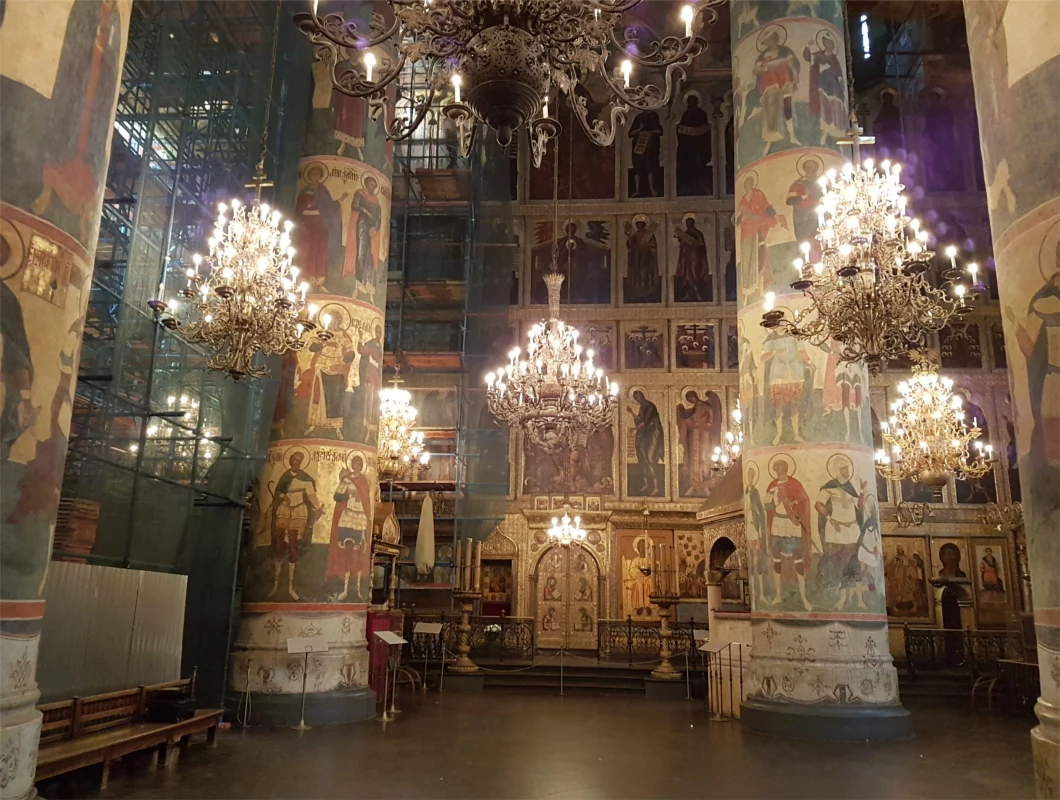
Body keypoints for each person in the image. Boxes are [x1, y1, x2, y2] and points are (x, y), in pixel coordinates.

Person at [814, 456, 868, 610]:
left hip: (852, 528)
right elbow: (818, 505)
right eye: (844, 468)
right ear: (837, 470)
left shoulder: (852, 487)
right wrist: (830, 518)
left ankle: (850, 595)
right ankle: (835, 592)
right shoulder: (829, 487)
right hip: (836, 528)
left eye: (848, 468)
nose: (847, 470)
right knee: (835, 559)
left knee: (852, 559)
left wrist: (863, 491)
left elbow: (860, 507)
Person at [269, 451, 321, 600]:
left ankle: (291, 587)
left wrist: (318, 508)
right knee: (279, 545)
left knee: (292, 546)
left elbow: (311, 496)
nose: (297, 463)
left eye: (299, 461)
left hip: (299, 510)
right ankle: (275, 585)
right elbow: (278, 491)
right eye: (295, 460)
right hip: (284, 510)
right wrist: (283, 496)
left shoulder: (305, 478)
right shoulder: (285, 476)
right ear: (291, 461)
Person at [765, 456, 812, 609]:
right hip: (778, 524)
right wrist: (772, 501)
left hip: (792, 524)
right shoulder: (772, 486)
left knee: (798, 559)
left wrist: (794, 503)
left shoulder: (794, 484)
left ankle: (804, 597)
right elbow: (768, 509)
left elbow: (804, 499)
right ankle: (778, 595)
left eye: (780, 469)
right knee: (776, 559)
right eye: (776, 469)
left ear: (785, 469)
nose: (778, 472)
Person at [325, 455, 373, 601]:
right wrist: (349, 494)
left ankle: (357, 590)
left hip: (359, 518)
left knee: (357, 554)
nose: (357, 465)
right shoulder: (346, 479)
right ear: (352, 464)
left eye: (359, 463)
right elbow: (337, 496)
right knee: (345, 552)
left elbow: (366, 499)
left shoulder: (364, 481)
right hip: (347, 517)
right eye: (355, 462)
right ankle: (344, 589)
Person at [751, 27, 801, 153]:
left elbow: (792, 64)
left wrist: (795, 75)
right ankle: (770, 140)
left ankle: (792, 136)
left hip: (785, 80)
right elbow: (756, 71)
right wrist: (767, 67)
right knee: (771, 110)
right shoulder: (762, 55)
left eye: (771, 39)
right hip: (770, 82)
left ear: (775, 39)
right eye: (767, 41)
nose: (769, 42)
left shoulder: (785, 51)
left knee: (787, 107)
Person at [736, 174, 786, 300]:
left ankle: (758, 282)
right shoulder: (743, 199)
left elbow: (766, 206)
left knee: (759, 252)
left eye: (750, 182)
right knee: (747, 256)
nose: (748, 185)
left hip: (756, 228)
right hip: (746, 231)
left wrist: (774, 215)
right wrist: (741, 219)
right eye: (746, 183)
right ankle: (747, 285)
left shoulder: (758, 194)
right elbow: (739, 218)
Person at [294, 163, 345, 285]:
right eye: (312, 174)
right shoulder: (304, 190)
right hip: (306, 223)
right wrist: (305, 206)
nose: (314, 176)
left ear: (320, 176)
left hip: (320, 223)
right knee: (306, 248)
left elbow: (328, 206)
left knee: (320, 248)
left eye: (317, 174)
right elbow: (298, 208)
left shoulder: (323, 190)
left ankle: (319, 276)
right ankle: (306, 275)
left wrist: (339, 201)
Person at [762, 331, 811, 445]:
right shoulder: (771, 338)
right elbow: (763, 357)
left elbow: (801, 351)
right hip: (778, 376)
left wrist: (809, 362)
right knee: (779, 407)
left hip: (795, 374)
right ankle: (778, 434)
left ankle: (796, 434)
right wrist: (774, 352)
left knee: (795, 405)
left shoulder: (795, 335)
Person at [344, 174, 383, 293]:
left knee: (370, 255)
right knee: (361, 252)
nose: (374, 187)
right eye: (372, 184)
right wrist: (365, 210)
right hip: (362, 225)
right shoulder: (360, 194)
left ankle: (367, 281)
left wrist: (375, 228)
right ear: (366, 184)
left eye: (375, 185)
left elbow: (379, 217)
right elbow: (354, 205)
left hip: (372, 229)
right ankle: (358, 280)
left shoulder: (376, 200)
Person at [804, 33, 845, 143]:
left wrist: (840, 82)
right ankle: (824, 134)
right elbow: (808, 57)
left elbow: (839, 74)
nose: (827, 44)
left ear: (832, 44)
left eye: (829, 42)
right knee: (824, 108)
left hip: (834, 89)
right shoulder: (818, 55)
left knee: (835, 108)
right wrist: (807, 46)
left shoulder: (835, 59)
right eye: (825, 42)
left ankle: (836, 131)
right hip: (822, 84)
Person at [676, 391, 717, 496]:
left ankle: (705, 485)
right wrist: (687, 422)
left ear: (695, 396)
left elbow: (711, 422)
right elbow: (688, 420)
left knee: (704, 459)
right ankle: (693, 485)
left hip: (704, 435)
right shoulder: (693, 409)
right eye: (689, 399)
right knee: (693, 461)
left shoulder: (706, 407)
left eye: (691, 398)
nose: (691, 400)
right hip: (693, 436)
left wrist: (700, 424)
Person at [786, 157, 824, 262]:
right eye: (808, 168)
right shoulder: (797, 184)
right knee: (804, 243)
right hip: (802, 219)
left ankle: (820, 263)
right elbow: (789, 200)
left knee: (818, 240)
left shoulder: (822, 183)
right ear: (804, 169)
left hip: (817, 217)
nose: (810, 170)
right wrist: (803, 196)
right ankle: (807, 265)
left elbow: (827, 198)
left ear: (816, 169)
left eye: (812, 168)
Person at [676, 92, 712, 196]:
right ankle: (689, 186)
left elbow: (705, 128)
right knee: (688, 166)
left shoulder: (701, 114)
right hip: (688, 146)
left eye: (693, 102)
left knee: (699, 166)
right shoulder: (686, 114)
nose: (691, 104)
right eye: (689, 102)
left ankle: (700, 185)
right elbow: (681, 128)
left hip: (699, 146)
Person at [629, 390, 664, 495]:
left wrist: (634, 429)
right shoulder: (641, 408)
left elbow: (645, 422)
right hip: (645, 433)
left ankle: (657, 487)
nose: (637, 399)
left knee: (650, 457)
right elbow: (639, 420)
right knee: (642, 456)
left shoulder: (650, 406)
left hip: (654, 432)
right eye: (635, 398)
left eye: (638, 396)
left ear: (642, 395)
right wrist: (631, 413)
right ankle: (647, 484)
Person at [673, 216, 713, 302]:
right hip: (686, 257)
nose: (687, 224)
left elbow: (701, 244)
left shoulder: (697, 233)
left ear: (693, 223)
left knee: (694, 274)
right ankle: (688, 294)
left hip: (694, 257)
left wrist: (692, 241)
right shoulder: (685, 233)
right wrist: (680, 239)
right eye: (687, 222)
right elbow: (683, 244)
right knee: (687, 275)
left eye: (689, 222)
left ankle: (698, 294)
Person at [624, 217, 661, 303]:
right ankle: (637, 291)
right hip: (636, 257)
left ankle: (645, 291)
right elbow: (630, 247)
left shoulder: (649, 234)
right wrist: (628, 237)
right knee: (637, 273)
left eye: (641, 223)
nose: (639, 225)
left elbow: (653, 245)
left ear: (644, 225)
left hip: (646, 256)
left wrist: (647, 245)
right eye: (637, 224)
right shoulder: (634, 235)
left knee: (644, 272)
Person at [628, 110, 663, 197]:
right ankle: (637, 190)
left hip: (651, 147)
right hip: (638, 146)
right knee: (638, 167)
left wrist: (650, 133)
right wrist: (640, 129)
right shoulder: (639, 117)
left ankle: (652, 189)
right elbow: (630, 133)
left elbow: (659, 131)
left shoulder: (653, 115)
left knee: (650, 166)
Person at [745, 463, 767, 602]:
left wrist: (760, 528)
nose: (750, 478)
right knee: (751, 560)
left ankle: (762, 594)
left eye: (752, 476)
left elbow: (759, 509)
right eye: (749, 476)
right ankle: (753, 594)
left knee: (758, 559)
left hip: (755, 526)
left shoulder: (755, 492)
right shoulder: (746, 490)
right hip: (748, 524)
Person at [623, 537, 653, 617]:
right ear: (638, 548)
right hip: (638, 578)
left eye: (644, 547)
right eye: (641, 547)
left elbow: (654, 569)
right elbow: (631, 570)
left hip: (648, 578)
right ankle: (639, 606)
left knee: (650, 584)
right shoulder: (635, 560)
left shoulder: (650, 559)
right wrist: (640, 572)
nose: (642, 549)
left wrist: (649, 571)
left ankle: (648, 606)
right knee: (638, 585)